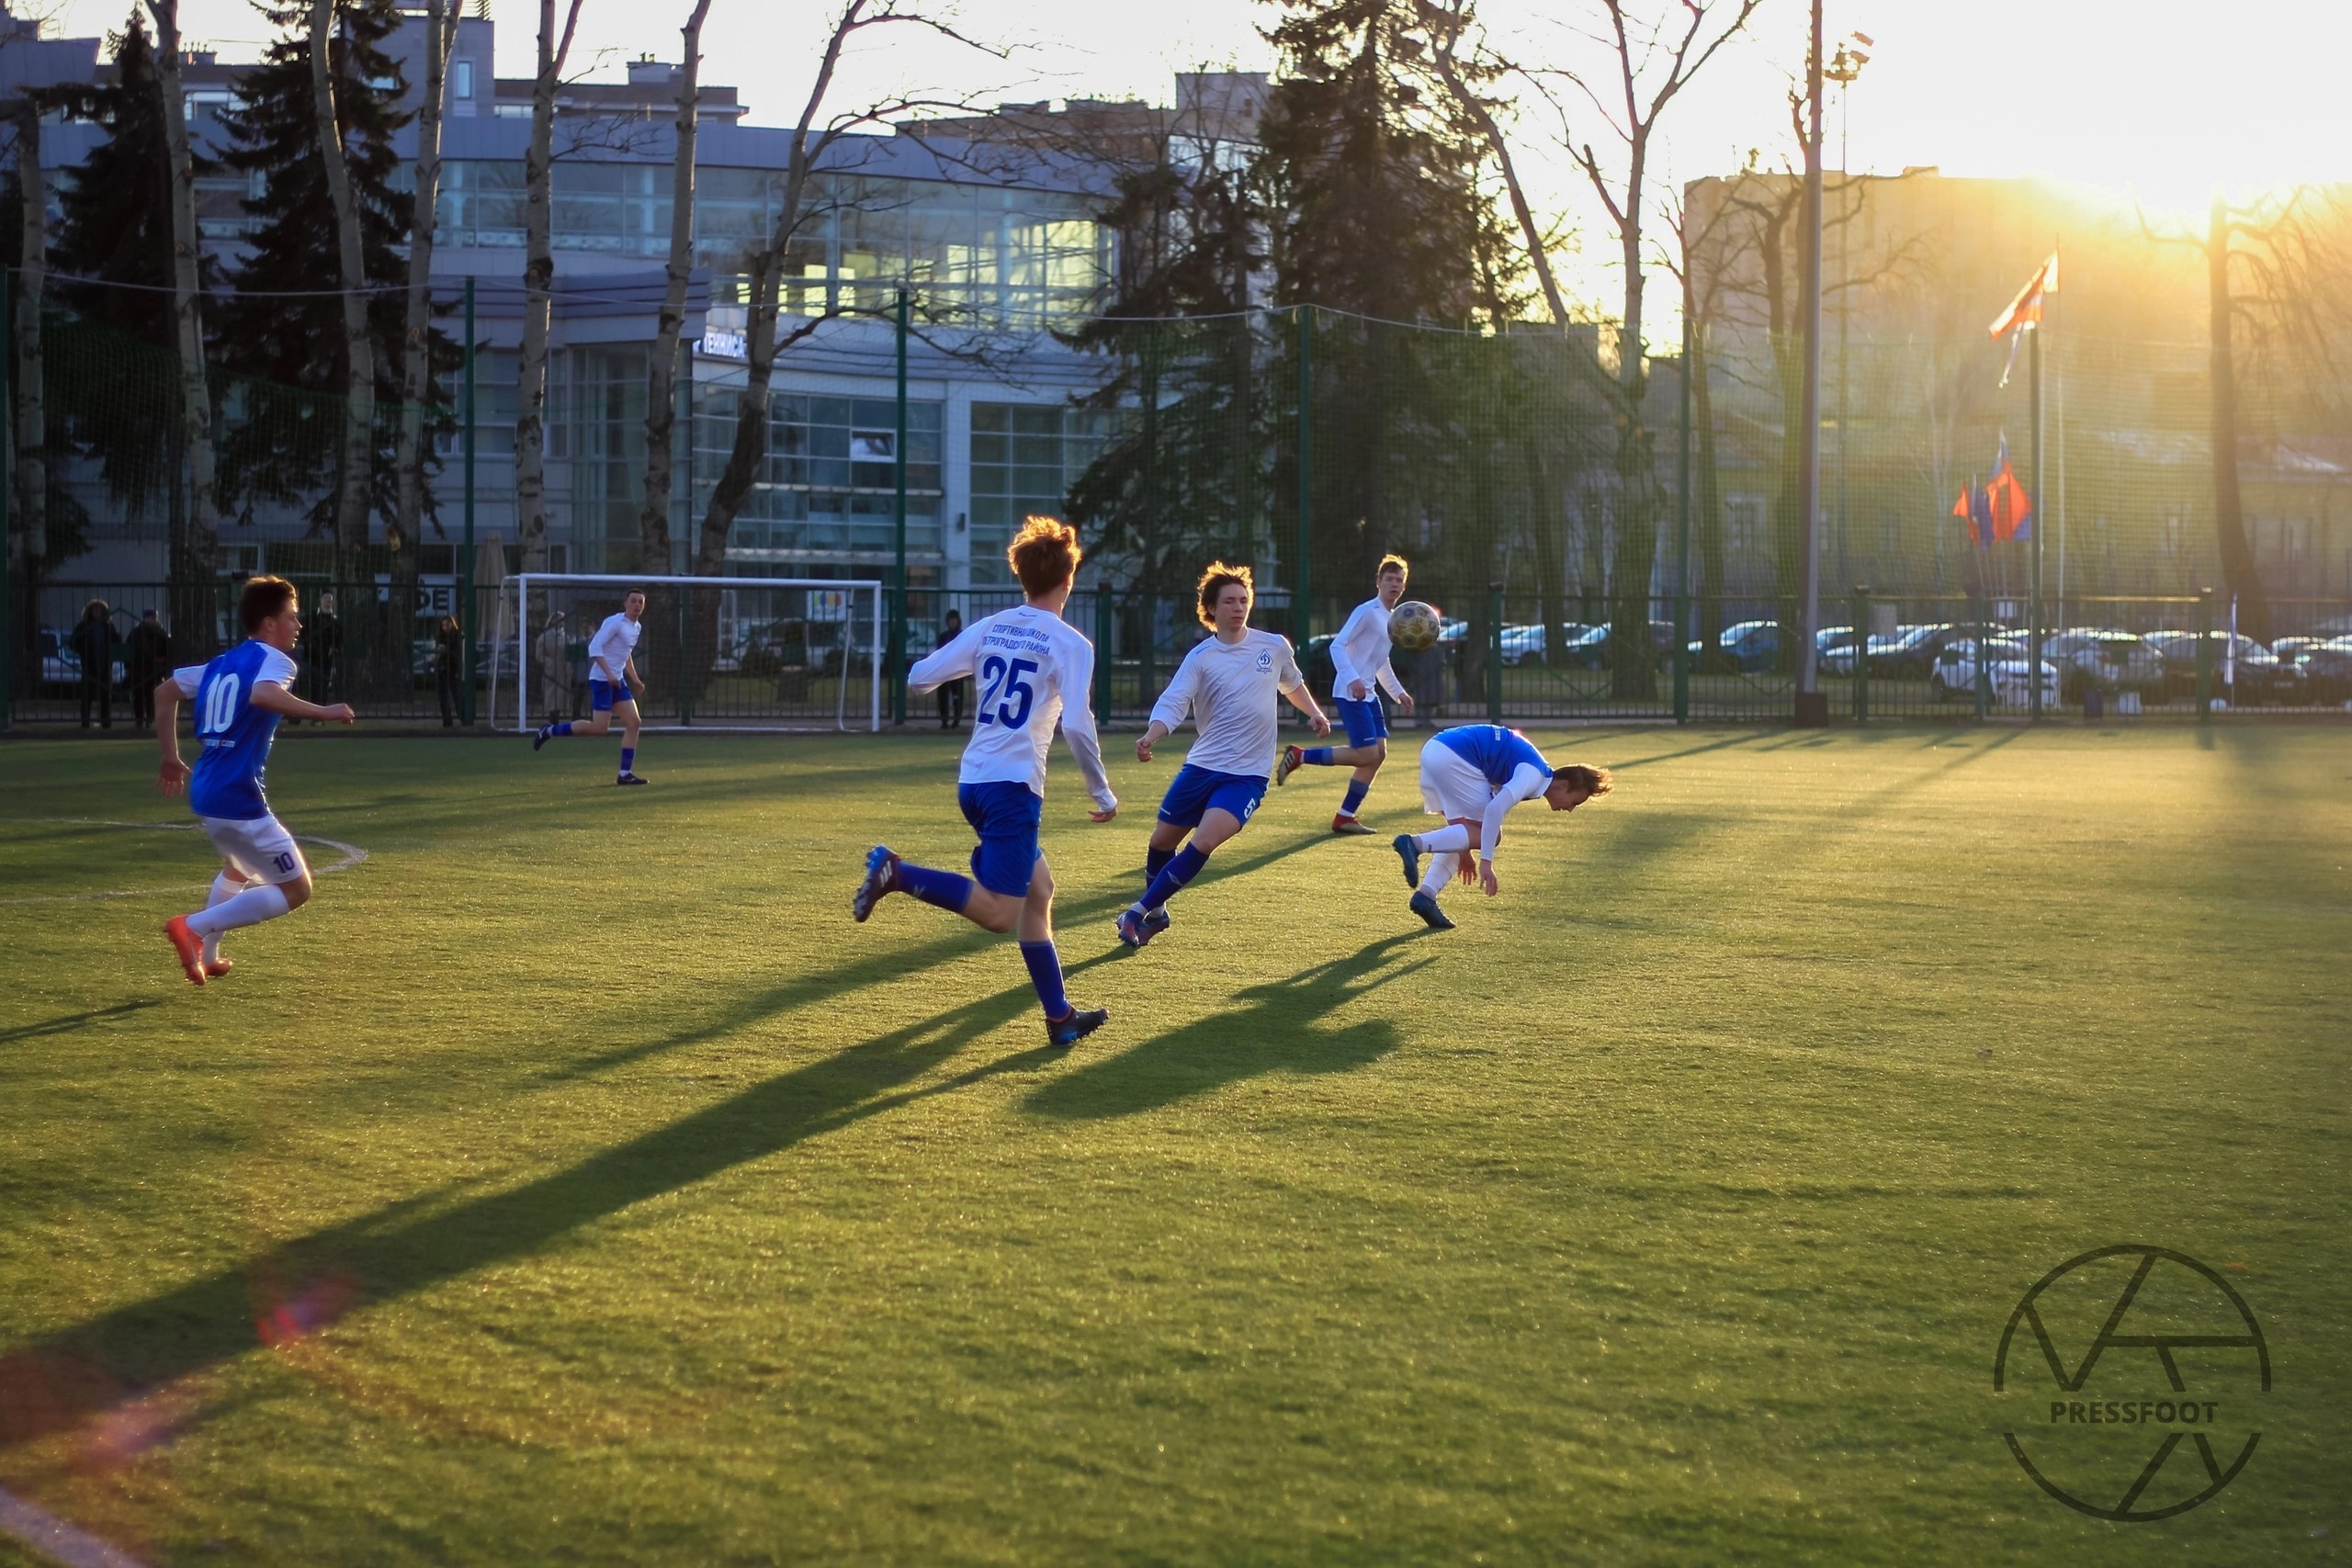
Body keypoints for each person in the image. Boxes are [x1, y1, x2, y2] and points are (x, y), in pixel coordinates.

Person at [852, 516, 1118, 1049]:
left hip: (973, 781)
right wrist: (1101, 791)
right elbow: (1078, 723)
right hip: (1013, 789)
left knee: (1038, 894)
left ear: (1024, 577)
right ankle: (897, 874)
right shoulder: (1071, 643)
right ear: (1069, 580)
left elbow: (919, 677)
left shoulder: (992, 626)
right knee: (1001, 912)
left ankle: (1060, 1016)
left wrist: (973, 668)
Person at [153, 575, 356, 985]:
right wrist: (326, 711)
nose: (298, 626)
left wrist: (171, 758)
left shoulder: (218, 665)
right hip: (239, 797)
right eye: (292, 617)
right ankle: (192, 926)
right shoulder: (277, 661)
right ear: (268, 623)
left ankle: (207, 956)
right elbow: (263, 695)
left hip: (206, 792)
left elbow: (163, 692)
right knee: (297, 890)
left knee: (239, 867)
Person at [1116, 562, 1329, 949]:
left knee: (1205, 840)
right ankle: (1158, 915)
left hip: (1247, 775)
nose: (1238, 606)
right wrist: (1152, 735)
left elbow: (1292, 685)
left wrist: (1313, 713)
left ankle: (1135, 913)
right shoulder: (1201, 657)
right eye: (1229, 600)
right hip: (1202, 766)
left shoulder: (1274, 646)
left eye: (1244, 600)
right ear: (1211, 608)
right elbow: (1174, 702)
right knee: (1162, 842)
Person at [1389, 726, 1612, 931]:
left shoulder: (1532, 770)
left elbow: (1464, 826)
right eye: (1575, 802)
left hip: (1436, 750)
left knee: (1474, 833)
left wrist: (1465, 849)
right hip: (1455, 756)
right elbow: (1494, 810)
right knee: (1492, 835)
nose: (1571, 809)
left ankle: (1426, 897)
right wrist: (1486, 862)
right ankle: (1414, 844)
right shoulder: (1535, 774)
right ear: (1564, 785)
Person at [1277, 553, 1415, 832]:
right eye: (1389, 579)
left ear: (1404, 587)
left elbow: (1381, 661)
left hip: (1369, 694)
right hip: (1351, 692)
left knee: (1379, 754)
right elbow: (1337, 646)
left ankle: (1345, 816)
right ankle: (1300, 756)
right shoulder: (1367, 611)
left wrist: (1398, 692)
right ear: (1378, 582)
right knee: (1365, 754)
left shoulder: (1391, 619)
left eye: (1399, 580)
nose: (1395, 584)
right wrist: (1352, 679)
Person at [532, 591, 646, 784]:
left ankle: (625, 773)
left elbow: (625, 654)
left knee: (634, 722)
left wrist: (635, 679)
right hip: (602, 680)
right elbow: (594, 648)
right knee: (600, 728)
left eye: (641, 602)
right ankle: (549, 731)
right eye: (633, 601)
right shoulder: (615, 623)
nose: (637, 605)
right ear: (625, 603)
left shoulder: (636, 627)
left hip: (617, 680)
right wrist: (609, 674)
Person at [71, 599, 117, 729]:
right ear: (90, 611)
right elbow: (73, 642)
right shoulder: (83, 626)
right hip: (89, 664)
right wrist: (83, 650)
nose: (97, 612)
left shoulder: (108, 626)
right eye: (95, 610)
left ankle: (106, 721)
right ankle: (85, 721)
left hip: (105, 664)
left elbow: (116, 642)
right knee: (87, 695)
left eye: (100, 610)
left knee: (105, 695)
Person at [125, 608, 172, 729]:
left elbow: (167, 650)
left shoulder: (160, 632)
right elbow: (129, 651)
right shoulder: (137, 633)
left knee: (152, 695)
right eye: (149, 617)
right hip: (139, 668)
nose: (151, 619)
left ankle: (149, 719)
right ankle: (139, 719)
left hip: (153, 669)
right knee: (139, 695)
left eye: (153, 617)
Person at [534, 610, 572, 724]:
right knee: (552, 696)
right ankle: (553, 719)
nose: (562, 623)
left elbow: (569, 652)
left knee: (562, 696)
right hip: (551, 670)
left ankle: (558, 717)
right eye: (559, 620)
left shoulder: (566, 636)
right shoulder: (544, 637)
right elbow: (539, 656)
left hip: (564, 669)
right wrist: (549, 662)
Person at [934, 609, 969, 729]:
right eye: (951, 620)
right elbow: (938, 654)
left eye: (955, 620)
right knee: (943, 696)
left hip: (958, 671)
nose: (953, 622)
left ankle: (956, 720)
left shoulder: (963, 636)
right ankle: (944, 720)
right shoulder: (943, 636)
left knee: (957, 696)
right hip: (944, 672)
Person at [305, 590, 342, 705]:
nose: (328, 601)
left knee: (325, 682)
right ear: (320, 600)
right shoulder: (311, 617)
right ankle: (314, 707)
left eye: (330, 599)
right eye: (326, 598)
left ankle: (322, 706)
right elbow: (305, 634)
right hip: (313, 654)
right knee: (314, 682)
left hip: (327, 656)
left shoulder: (335, 620)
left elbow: (338, 639)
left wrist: (335, 650)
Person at [434, 614, 465, 727]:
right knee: (443, 697)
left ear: (452, 624)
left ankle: (463, 717)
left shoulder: (457, 636)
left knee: (457, 696)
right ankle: (447, 720)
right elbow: (437, 653)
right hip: (443, 668)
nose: (446, 627)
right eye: (444, 625)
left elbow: (458, 653)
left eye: (448, 624)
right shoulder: (440, 637)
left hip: (453, 668)